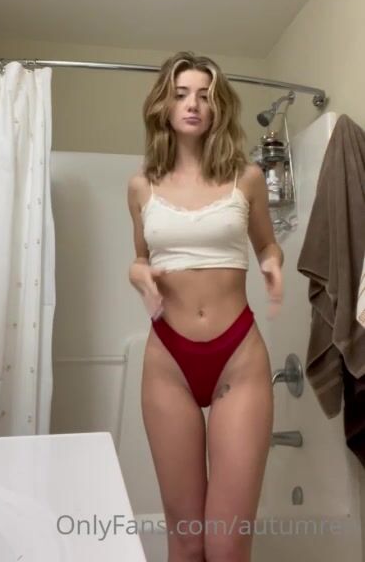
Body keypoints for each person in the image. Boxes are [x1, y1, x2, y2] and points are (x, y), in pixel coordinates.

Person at [127, 51, 283, 562]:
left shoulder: (247, 178)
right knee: (187, 540)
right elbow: (141, 257)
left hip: (238, 354)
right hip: (168, 359)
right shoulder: (141, 186)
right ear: (164, 105)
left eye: (204, 95)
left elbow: (266, 243)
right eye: (181, 94)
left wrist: (272, 263)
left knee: (226, 543)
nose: (192, 104)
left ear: (218, 106)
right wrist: (137, 274)